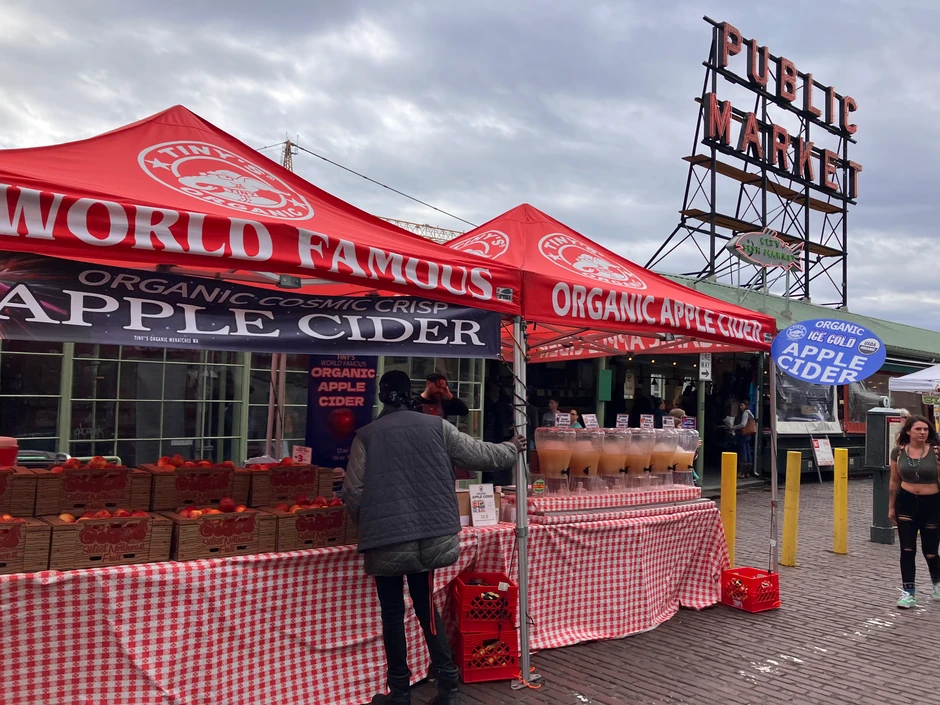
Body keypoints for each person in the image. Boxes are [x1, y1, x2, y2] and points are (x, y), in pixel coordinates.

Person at [344, 370, 524, 704]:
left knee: (392, 615)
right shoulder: (437, 427)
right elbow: (481, 455)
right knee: (427, 609)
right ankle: (449, 688)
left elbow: (353, 492)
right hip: (431, 534)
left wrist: (370, 522)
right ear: (410, 394)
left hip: (386, 539)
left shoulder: (366, 436)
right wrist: (512, 447)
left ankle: (399, 693)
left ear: (381, 397)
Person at [888, 415, 940, 608]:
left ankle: (937, 584)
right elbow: (894, 480)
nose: (923, 433)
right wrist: (891, 506)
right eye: (918, 429)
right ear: (908, 431)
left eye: (926, 430)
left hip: (932, 503)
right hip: (906, 502)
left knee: (931, 551)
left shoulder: (936, 452)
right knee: (907, 549)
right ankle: (908, 593)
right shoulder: (898, 452)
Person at [732, 400, 756, 476]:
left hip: (743, 434)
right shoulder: (751, 413)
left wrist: (734, 427)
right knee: (748, 451)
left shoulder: (745, 413)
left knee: (743, 452)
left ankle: (742, 471)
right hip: (749, 435)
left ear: (746, 406)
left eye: (742, 405)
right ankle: (748, 471)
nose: (741, 407)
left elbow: (743, 424)